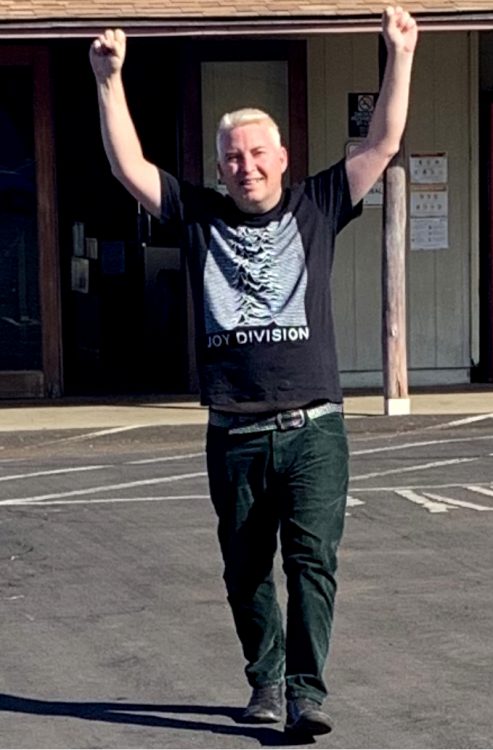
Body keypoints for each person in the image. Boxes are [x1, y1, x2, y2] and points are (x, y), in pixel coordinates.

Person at [89, 6, 418, 738]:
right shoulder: (199, 215)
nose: (246, 165)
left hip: (314, 429)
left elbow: (384, 141)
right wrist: (109, 81)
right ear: (219, 166)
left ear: (281, 154)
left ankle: (305, 691)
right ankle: (264, 681)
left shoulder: (319, 202)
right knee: (245, 573)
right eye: (232, 156)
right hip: (233, 432)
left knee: (311, 564)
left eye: (257, 152)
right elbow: (128, 167)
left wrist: (399, 54)